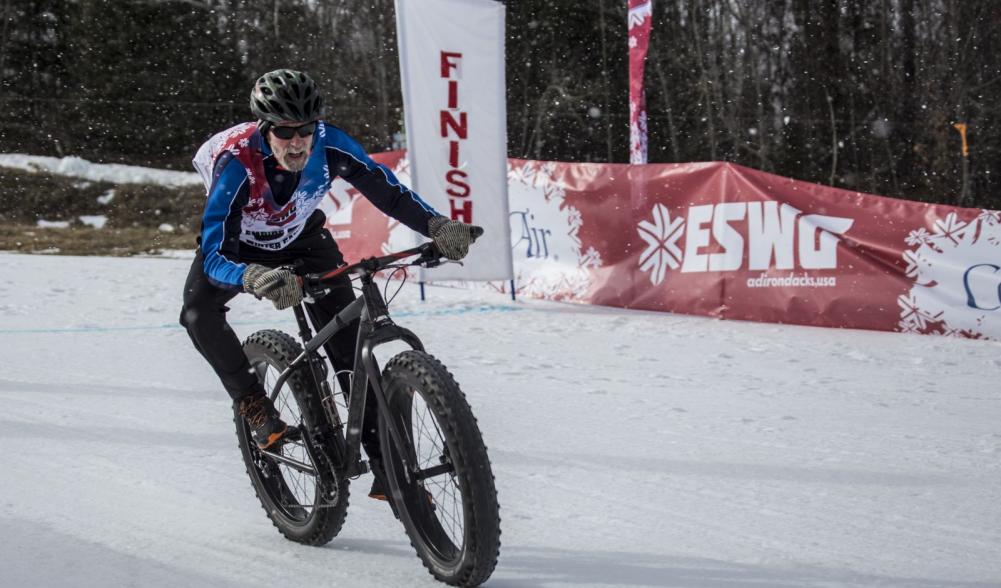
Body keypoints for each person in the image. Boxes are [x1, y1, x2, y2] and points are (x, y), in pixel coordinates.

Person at [180, 69, 474, 499]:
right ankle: (254, 403)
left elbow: (387, 190)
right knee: (196, 313)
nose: (298, 141)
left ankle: (388, 469)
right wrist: (249, 276)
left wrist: (435, 225)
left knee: (350, 349)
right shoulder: (237, 164)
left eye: (305, 130)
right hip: (240, 248)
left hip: (302, 240)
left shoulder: (331, 144)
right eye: (285, 131)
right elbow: (212, 254)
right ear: (266, 128)